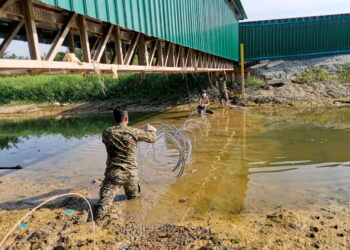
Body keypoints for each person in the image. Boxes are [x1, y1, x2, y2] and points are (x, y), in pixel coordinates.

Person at [95, 106, 157, 221]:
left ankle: (96, 222)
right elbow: (152, 139)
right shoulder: (134, 132)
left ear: (114, 118)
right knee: (134, 199)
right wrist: (151, 130)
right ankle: (134, 219)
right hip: (131, 174)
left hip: (114, 175)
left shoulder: (106, 132)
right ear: (126, 118)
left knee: (103, 205)